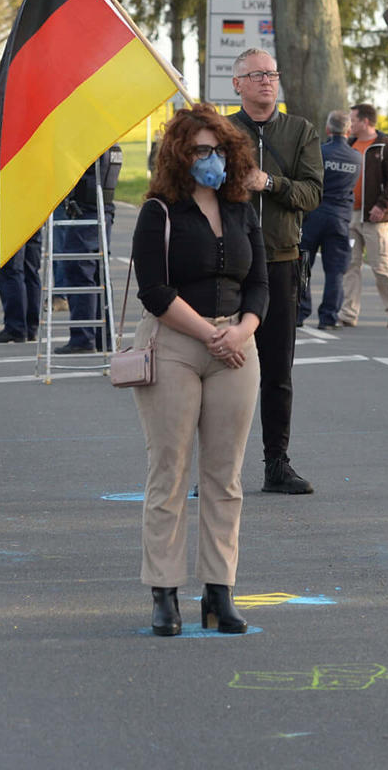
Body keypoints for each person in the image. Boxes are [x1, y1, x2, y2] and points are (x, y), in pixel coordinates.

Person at [131, 104, 267, 637]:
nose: (209, 159)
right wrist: (210, 334)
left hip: (236, 346)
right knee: (169, 470)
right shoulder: (159, 212)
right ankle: (164, 592)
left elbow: (259, 283)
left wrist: (241, 330)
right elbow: (154, 289)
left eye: (217, 150)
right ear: (179, 156)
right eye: (199, 151)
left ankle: (219, 590)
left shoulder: (241, 209)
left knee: (225, 476)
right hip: (175, 344)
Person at [227, 49, 323, 495]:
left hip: (282, 261)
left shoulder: (299, 130)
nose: (267, 81)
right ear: (238, 84)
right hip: (227, 265)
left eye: (272, 74)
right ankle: (217, 469)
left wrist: (270, 183)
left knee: (277, 371)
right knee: (221, 369)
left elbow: (313, 192)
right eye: (257, 74)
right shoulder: (223, 130)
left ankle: (276, 464)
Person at [338, 104, 388, 329]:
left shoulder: (385, 146)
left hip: (375, 218)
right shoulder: (351, 144)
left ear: (366, 121)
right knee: (350, 264)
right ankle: (348, 313)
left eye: (353, 119)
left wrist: (381, 206)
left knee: (380, 265)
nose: (350, 123)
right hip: (350, 215)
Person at [53, 147, 121, 354]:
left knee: (79, 271)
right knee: (99, 274)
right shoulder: (113, 145)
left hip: (87, 211)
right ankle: (103, 337)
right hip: (101, 209)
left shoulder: (95, 143)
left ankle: (83, 336)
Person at [297, 110, 360, 330]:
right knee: (335, 271)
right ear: (348, 130)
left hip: (314, 216)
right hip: (340, 219)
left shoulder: (320, 153)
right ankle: (328, 317)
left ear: (327, 129)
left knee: (303, 264)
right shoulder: (356, 157)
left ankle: (300, 312)